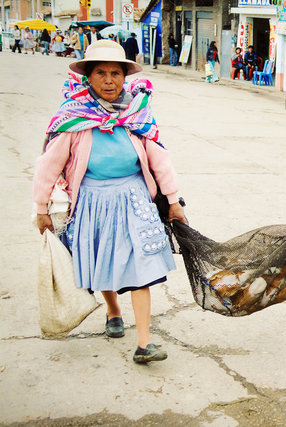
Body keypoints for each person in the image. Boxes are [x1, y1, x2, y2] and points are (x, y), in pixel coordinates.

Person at [33, 40, 187, 364]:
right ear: (88, 77)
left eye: (115, 73)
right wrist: (41, 208)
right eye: (100, 73)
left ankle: (144, 343)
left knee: (142, 266)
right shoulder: (73, 117)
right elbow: (48, 166)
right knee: (104, 262)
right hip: (92, 201)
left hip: (134, 198)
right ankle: (113, 309)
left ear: (124, 76)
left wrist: (173, 201)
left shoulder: (137, 112)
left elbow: (160, 160)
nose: (108, 80)